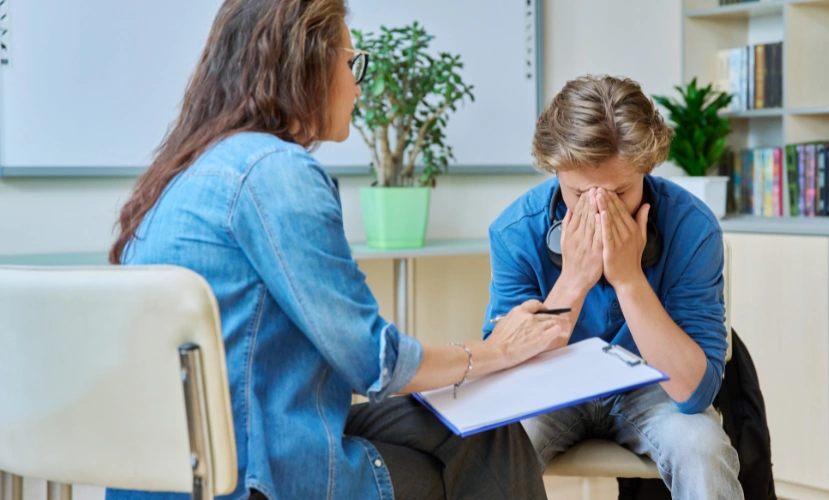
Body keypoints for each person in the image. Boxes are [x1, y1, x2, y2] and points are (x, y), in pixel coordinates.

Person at [105, 1, 569, 499]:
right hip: (259, 474)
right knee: (474, 451)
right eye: (352, 62)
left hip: (178, 471)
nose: (357, 83)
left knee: (485, 428)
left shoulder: (183, 175)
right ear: (306, 65)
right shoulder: (276, 171)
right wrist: (496, 351)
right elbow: (373, 362)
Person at [482, 74, 744, 500]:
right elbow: (506, 383)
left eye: (620, 191)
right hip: (552, 384)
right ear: (555, 171)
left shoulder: (693, 228)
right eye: (579, 193)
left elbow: (694, 392)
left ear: (647, 168)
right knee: (491, 451)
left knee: (702, 447)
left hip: (652, 387)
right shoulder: (516, 230)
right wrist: (572, 281)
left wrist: (628, 279)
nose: (599, 210)